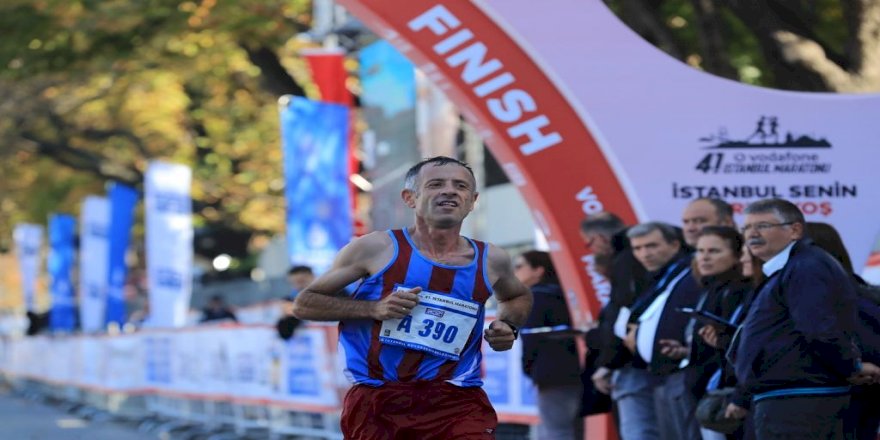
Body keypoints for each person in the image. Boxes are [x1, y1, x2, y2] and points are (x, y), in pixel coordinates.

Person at [291, 156, 533, 439]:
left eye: (460, 186)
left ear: (472, 201)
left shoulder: (491, 259)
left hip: (456, 399)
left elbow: (517, 296)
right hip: (379, 400)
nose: (450, 191)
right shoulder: (375, 248)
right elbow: (305, 303)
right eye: (436, 184)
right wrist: (374, 309)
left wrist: (508, 325)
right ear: (410, 198)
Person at [731, 198, 880, 440]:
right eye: (746, 228)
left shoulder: (806, 267)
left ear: (795, 230)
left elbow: (819, 328)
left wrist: (850, 366)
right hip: (791, 399)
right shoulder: (790, 268)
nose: (752, 234)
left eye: (763, 226)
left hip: (802, 403)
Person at [609, 221, 696, 440]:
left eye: (651, 246)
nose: (645, 254)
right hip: (658, 370)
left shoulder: (687, 272)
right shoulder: (653, 276)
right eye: (638, 248)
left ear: (674, 245)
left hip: (681, 369)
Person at [804, 222, 880, 440]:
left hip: (842, 405)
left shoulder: (843, 298)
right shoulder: (855, 293)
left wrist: (852, 365)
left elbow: (869, 349)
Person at [579, 212, 649, 398]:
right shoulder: (628, 258)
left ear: (600, 238)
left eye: (589, 243)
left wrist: (608, 362)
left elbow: (622, 312)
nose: (591, 250)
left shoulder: (624, 261)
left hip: (632, 361)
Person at [515, 250, 583, 440]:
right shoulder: (566, 294)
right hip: (578, 371)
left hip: (552, 376)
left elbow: (531, 339)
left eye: (519, 266)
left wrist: (529, 369)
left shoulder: (535, 298)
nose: (514, 272)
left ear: (538, 270)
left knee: (556, 431)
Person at [277, 265, 315, 340]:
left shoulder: (329, 295)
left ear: (312, 277)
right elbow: (285, 333)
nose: (298, 286)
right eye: (293, 283)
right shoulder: (288, 302)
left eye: (301, 281)